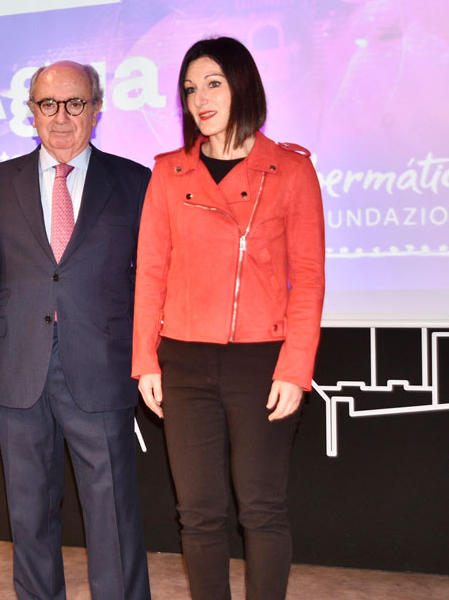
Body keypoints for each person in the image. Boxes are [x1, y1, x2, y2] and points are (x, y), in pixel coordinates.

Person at [132, 36, 325, 599]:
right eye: (191, 89)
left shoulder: (290, 170)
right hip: (183, 360)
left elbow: (308, 279)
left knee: (262, 509)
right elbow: (151, 273)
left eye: (213, 83)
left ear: (242, 86)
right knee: (198, 513)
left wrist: (295, 369)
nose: (200, 99)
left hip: (261, 363)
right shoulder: (169, 173)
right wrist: (146, 360)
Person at [0, 60, 152, 599]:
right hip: (20, 369)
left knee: (112, 515)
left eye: (75, 103)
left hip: (102, 365)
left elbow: (150, 274)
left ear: (97, 110)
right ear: (31, 112)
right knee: (29, 516)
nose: (61, 116)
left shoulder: (134, 181)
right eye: (48, 104)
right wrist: (19, 313)